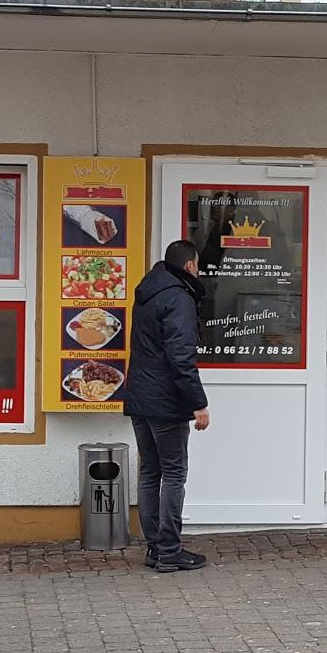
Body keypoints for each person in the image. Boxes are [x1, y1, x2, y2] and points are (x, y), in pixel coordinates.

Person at [124, 240, 211, 573]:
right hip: (165, 400)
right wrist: (198, 403)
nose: (199, 271)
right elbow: (181, 357)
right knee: (173, 474)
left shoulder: (147, 292)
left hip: (141, 397)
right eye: (198, 265)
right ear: (190, 266)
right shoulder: (179, 298)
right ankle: (170, 550)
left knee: (150, 472)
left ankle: (154, 549)